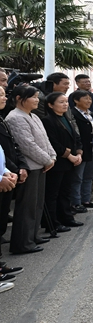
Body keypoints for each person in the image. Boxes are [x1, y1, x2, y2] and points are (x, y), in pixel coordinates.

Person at [5, 85, 55, 254]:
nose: (37, 100)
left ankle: (33, 236)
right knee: (27, 206)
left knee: (37, 204)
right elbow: (27, 145)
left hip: (41, 165)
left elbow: (45, 140)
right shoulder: (15, 118)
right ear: (19, 98)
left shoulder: (33, 116)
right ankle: (23, 242)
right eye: (33, 97)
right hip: (30, 166)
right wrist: (47, 159)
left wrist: (52, 157)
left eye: (37, 96)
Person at [40, 92, 84, 233]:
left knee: (65, 191)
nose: (65, 104)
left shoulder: (66, 118)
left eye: (66, 102)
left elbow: (76, 138)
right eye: (61, 102)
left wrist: (78, 153)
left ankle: (66, 218)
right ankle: (53, 223)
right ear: (50, 105)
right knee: (53, 194)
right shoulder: (47, 120)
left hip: (70, 162)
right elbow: (52, 142)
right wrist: (69, 155)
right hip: (57, 162)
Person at [0, 86, 29, 244]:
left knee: (3, 211)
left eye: (4, 94)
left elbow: (11, 146)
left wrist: (8, 171)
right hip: (4, 176)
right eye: (1, 95)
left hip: (7, 174)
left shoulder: (2, 119)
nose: (5, 98)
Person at [69, 90, 93, 211]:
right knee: (77, 178)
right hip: (82, 151)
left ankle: (86, 199)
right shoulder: (73, 114)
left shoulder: (91, 114)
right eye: (85, 98)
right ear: (76, 100)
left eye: (90, 99)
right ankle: (76, 202)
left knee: (89, 176)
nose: (89, 101)